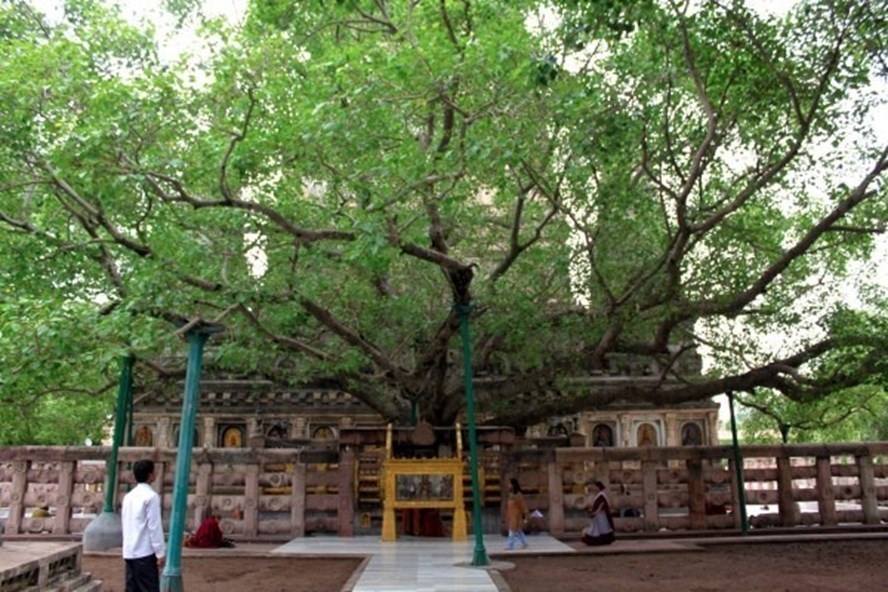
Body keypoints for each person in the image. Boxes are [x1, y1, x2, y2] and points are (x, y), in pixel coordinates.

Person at [122, 459, 166, 592]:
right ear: (150, 475)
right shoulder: (151, 497)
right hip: (145, 551)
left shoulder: (128, 497)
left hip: (129, 551)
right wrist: (160, 552)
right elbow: (154, 527)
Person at [581, 480, 615, 546]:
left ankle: (600, 540)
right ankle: (601, 540)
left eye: (595, 486)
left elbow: (601, 505)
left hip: (600, 514)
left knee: (601, 527)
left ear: (598, 487)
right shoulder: (599, 495)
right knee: (598, 527)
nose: (594, 488)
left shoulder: (601, 495)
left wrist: (596, 512)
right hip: (598, 514)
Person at [504, 477, 529, 550]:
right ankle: (524, 543)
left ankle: (510, 545)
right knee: (518, 531)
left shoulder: (518, 495)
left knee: (511, 531)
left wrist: (526, 515)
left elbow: (523, 505)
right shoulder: (510, 495)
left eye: (510, 484)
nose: (508, 485)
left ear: (513, 485)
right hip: (512, 516)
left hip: (516, 516)